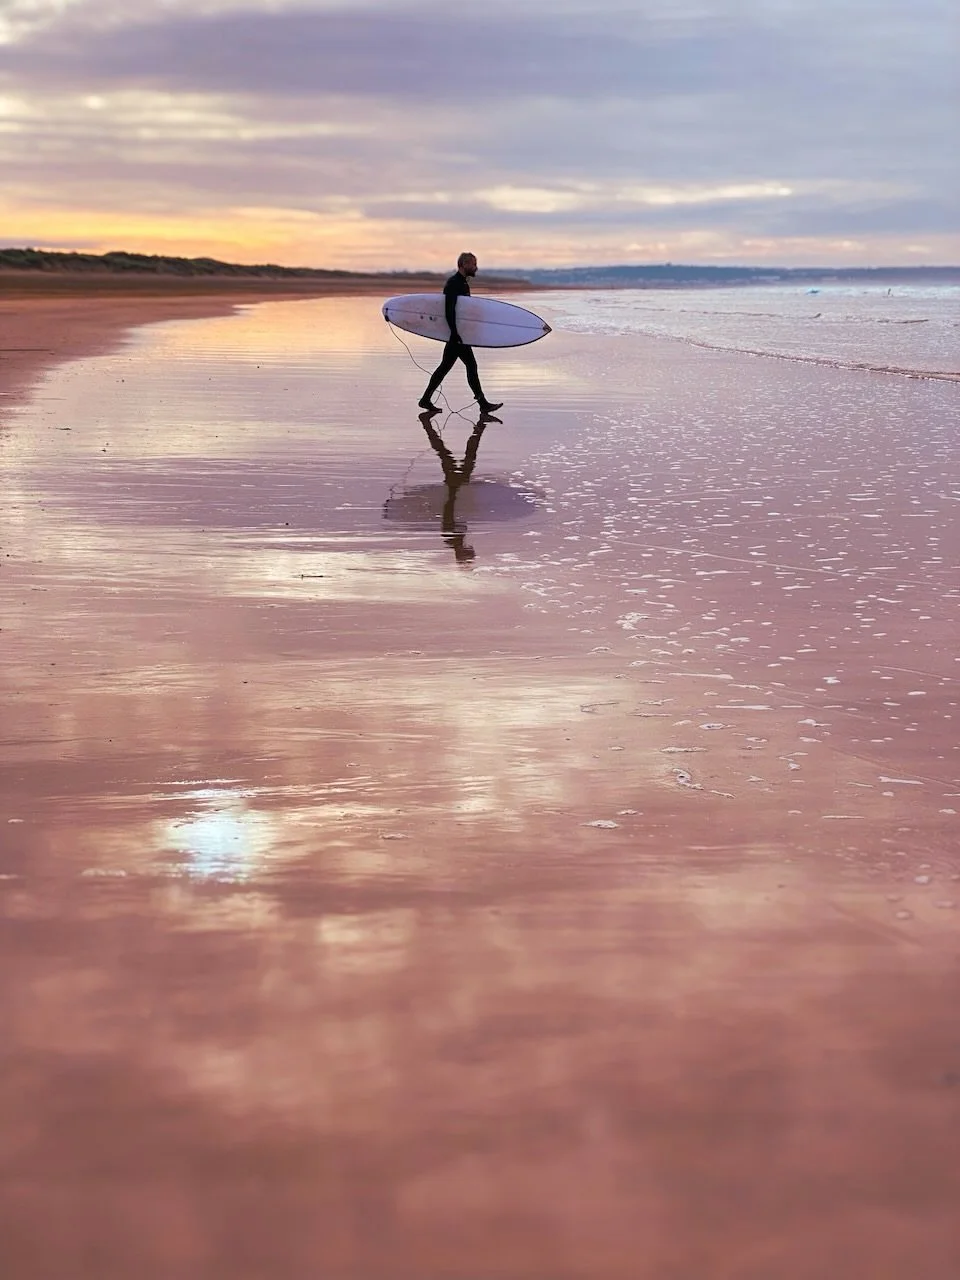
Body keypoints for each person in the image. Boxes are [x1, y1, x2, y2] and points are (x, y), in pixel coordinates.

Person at [419, 253, 503, 415]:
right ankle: (483, 403)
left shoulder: (462, 283)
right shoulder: (453, 283)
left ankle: (425, 399)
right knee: (470, 366)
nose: (476, 267)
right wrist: (455, 333)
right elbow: (448, 310)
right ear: (464, 264)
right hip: (456, 336)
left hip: (459, 334)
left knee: (445, 368)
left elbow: (463, 311)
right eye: (473, 264)